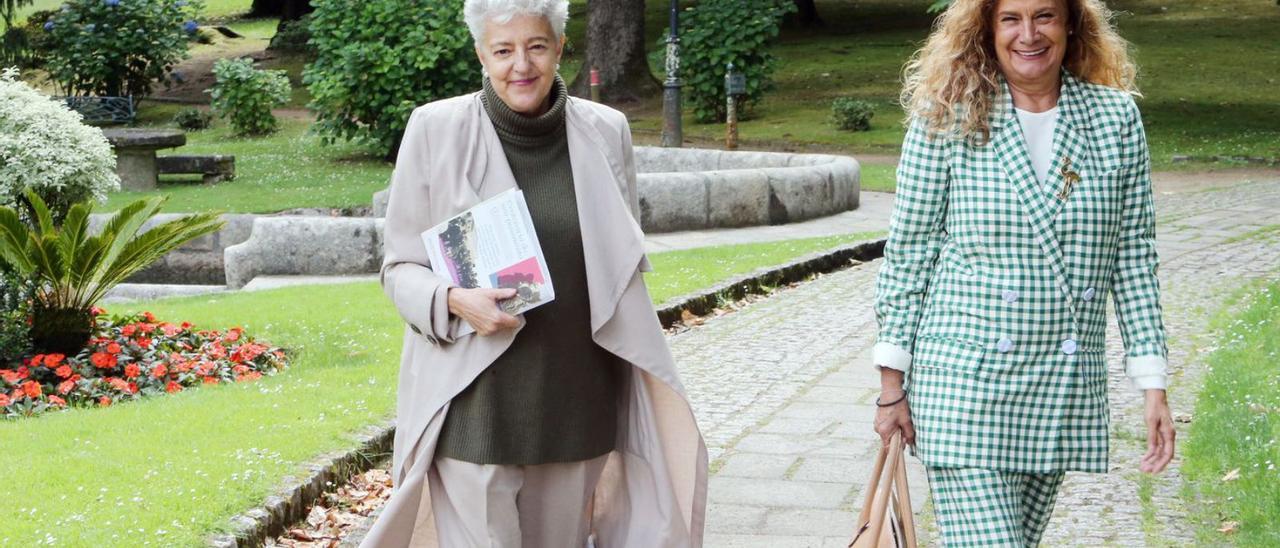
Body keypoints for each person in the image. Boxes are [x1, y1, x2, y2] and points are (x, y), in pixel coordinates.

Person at [361, 0, 707, 546]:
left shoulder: (606, 130)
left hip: (576, 404)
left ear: (559, 48)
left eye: (536, 46)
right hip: (474, 405)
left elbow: (618, 265)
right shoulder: (435, 129)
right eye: (503, 50)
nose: (520, 64)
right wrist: (453, 299)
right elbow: (399, 268)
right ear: (481, 54)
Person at [871, 0, 1176, 545]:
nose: (1028, 34)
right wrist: (892, 384)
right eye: (1011, 18)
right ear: (987, 30)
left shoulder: (1114, 118)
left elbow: (1133, 257)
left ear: (1071, 25)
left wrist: (1152, 383)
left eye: (1045, 16)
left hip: (1058, 387)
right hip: (964, 384)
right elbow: (909, 253)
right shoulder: (948, 116)